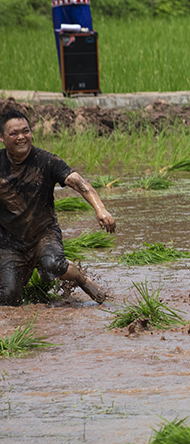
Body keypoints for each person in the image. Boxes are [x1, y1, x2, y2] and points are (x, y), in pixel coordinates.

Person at [0, 109, 114, 306]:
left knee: (53, 264)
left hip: (44, 233)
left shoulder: (46, 161)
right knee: (9, 298)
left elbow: (78, 182)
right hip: (9, 242)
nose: (21, 137)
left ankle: (79, 277)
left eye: (25, 131)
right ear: (2, 137)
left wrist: (100, 209)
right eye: (14, 133)